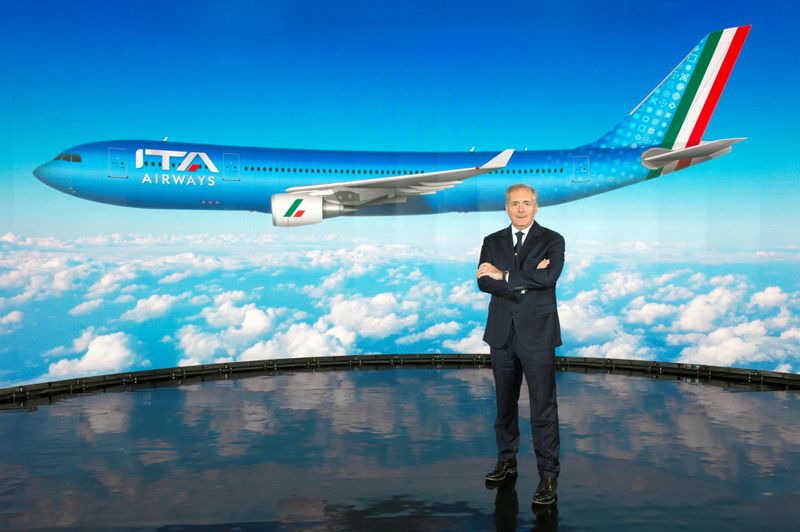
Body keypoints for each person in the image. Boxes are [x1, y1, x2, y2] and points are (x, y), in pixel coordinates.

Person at [476, 183, 564, 506]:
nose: (521, 209)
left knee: (543, 409)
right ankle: (507, 460)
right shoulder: (491, 241)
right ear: (507, 207)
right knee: (504, 407)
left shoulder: (553, 240)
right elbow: (483, 281)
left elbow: (550, 277)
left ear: (536, 206)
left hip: (538, 336)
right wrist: (525, 278)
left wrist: (505, 276)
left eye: (527, 203)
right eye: (515, 203)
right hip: (501, 335)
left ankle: (549, 476)